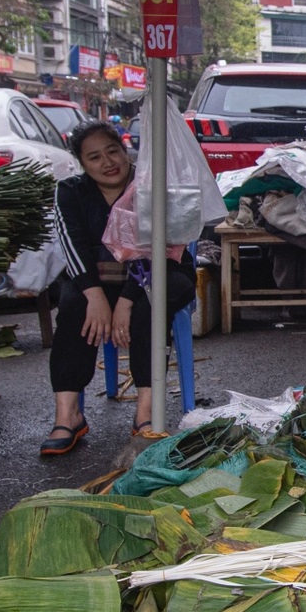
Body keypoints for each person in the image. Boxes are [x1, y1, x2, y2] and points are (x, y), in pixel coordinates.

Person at [41, 121, 195, 453]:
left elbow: (163, 246)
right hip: (93, 280)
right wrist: (94, 296)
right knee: (73, 307)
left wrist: (126, 299)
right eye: (94, 157)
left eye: (113, 151)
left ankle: (147, 411)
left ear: (125, 149)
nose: (107, 163)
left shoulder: (151, 185)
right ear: (82, 164)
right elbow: (72, 247)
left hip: (160, 274)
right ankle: (69, 414)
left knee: (148, 308)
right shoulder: (70, 191)